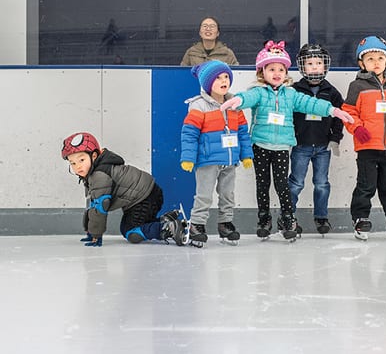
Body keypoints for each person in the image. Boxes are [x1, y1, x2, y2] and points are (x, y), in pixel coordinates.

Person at [220, 40, 353, 241]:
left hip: (282, 147)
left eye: (281, 69)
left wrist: (332, 110)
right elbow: (247, 97)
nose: (277, 73)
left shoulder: (291, 94)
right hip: (261, 146)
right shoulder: (258, 91)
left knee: (283, 185)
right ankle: (264, 218)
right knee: (262, 184)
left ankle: (288, 217)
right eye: (271, 69)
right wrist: (238, 100)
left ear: (286, 72)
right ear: (261, 72)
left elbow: (311, 103)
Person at [341, 36, 386, 241]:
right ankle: (360, 218)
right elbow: (348, 113)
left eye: (380, 58)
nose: (376, 62)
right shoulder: (357, 86)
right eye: (370, 58)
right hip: (367, 147)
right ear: (361, 63)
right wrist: (357, 129)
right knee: (366, 185)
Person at [61, 132, 189, 247]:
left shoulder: (99, 175)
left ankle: (169, 228)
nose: (77, 166)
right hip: (147, 195)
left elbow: (100, 206)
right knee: (134, 227)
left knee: (131, 232)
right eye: (72, 163)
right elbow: (92, 205)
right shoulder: (92, 174)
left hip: (145, 197)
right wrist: (90, 231)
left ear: (94, 156)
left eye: (81, 160)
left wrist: (96, 235)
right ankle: (165, 221)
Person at [180, 60, 253, 247]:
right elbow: (189, 133)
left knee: (228, 194)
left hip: (229, 160)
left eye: (226, 76)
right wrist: (188, 158)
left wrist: (246, 155)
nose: (223, 80)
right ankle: (197, 225)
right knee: (204, 195)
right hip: (208, 160)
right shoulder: (199, 106)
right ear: (207, 83)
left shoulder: (235, 104)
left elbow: (243, 132)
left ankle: (225, 223)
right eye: (218, 78)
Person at [288, 44, 344, 235]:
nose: (314, 67)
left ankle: (321, 217)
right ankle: (289, 216)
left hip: (322, 146)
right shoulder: (294, 90)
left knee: (321, 183)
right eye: (310, 63)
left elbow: (339, 117)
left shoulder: (332, 92)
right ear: (302, 66)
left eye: (319, 63)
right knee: (296, 183)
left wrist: (335, 138)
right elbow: (287, 115)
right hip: (301, 146)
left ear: (325, 66)